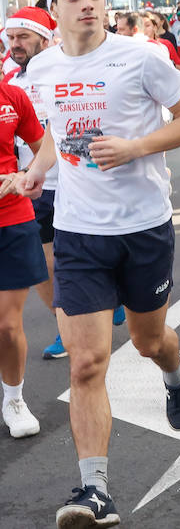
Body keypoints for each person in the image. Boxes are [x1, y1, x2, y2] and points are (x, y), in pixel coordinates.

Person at [8, 0, 180, 526]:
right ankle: (94, 492)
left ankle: (176, 369)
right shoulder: (41, 69)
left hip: (143, 226)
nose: (87, 4)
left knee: (148, 341)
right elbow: (54, 132)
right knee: (87, 362)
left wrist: (136, 147)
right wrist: (37, 170)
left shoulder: (141, 56)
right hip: (77, 233)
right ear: (55, 7)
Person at [4, 8, 72, 362]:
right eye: (10, 37)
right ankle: (65, 326)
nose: (15, 44)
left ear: (44, 39)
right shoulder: (11, 83)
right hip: (36, 185)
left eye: (23, 37)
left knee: (86, 254)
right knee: (45, 262)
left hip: (77, 181)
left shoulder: (67, 70)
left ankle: (110, 298)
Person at [0, 37, 46, 441]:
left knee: (7, 325)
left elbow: (43, 148)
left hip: (13, 220)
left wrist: (22, 176)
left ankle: (13, 398)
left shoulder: (13, 96)